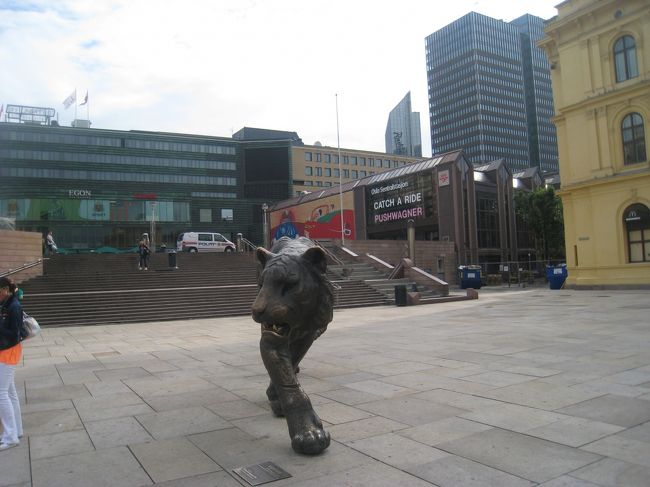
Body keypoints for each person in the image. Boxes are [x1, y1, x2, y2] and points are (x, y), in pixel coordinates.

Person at [0, 277, 24, 451]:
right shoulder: (6, 304)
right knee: (9, 392)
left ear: (4, 290)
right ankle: (16, 431)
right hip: (6, 351)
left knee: (1, 393)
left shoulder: (14, 306)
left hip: (8, 352)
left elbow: (15, 333)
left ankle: (10, 437)